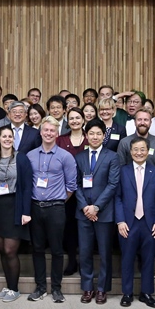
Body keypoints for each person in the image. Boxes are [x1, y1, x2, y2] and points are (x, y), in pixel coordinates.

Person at [26, 116, 77, 303]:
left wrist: (57, 201)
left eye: (52, 131)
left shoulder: (65, 156)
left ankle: (56, 288)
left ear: (57, 134)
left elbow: (71, 186)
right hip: (35, 208)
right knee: (37, 249)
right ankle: (40, 287)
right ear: (41, 132)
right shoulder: (30, 155)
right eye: (45, 130)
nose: (48, 133)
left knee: (56, 249)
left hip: (56, 208)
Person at [74, 119, 120, 304]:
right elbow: (75, 184)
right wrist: (85, 206)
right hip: (83, 212)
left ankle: (102, 289)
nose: (94, 137)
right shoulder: (79, 157)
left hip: (104, 212)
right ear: (86, 136)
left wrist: (97, 207)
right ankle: (87, 288)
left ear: (104, 136)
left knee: (104, 252)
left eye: (98, 134)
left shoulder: (112, 156)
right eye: (91, 133)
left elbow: (113, 184)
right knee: (84, 252)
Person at [115, 136, 155, 308]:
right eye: (135, 149)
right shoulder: (123, 171)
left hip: (149, 224)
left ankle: (146, 293)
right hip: (128, 222)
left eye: (142, 149)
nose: (139, 153)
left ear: (148, 151)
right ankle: (127, 293)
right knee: (127, 258)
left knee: (148, 259)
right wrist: (120, 220)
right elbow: (118, 198)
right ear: (130, 151)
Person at [0, 126, 33, 303]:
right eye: (3, 136)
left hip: (15, 206)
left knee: (10, 250)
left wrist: (26, 212)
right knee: (1, 250)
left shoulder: (21, 158)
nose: (7, 139)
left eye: (10, 136)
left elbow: (28, 186)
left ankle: (15, 289)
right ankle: (8, 285)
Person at [56, 107, 87, 276]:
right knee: (68, 228)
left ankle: (84, 263)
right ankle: (72, 261)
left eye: (78, 117)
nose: (75, 121)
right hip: (66, 193)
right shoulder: (60, 140)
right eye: (71, 118)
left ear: (83, 120)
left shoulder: (91, 139)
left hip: (87, 192)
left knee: (84, 228)